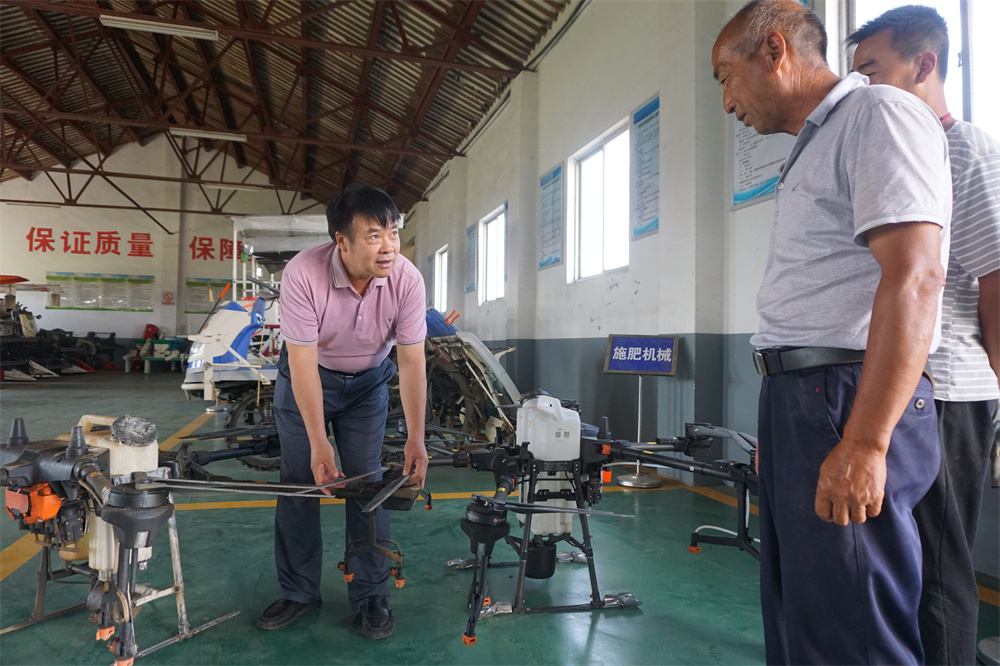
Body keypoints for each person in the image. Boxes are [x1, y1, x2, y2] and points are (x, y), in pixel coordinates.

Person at [711, 1, 953, 663]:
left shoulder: (878, 114)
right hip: (805, 400)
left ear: (775, 51)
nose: (727, 102)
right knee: (805, 620)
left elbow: (916, 275)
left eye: (726, 77)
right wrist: (782, 427)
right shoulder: (819, 141)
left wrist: (867, 441)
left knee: (853, 632)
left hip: (847, 394)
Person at [847, 7, 1000, 664]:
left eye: (872, 70)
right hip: (904, 387)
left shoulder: (966, 150)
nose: (863, 88)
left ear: (925, 64)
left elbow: (996, 283)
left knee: (938, 566)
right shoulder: (896, 150)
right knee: (899, 558)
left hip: (950, 392)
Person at [256, 184, 428, 640]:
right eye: (374, 236)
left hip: (368, 386)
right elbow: (301, 361)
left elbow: (412, 361)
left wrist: (416, 438)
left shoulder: (407, 280)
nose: (388, 246)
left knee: (369, 483)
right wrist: (319, 443)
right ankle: (298, 592)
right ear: (342, 241)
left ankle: (372, 593)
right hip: (308, 380)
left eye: (393, 233)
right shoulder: (303, 274)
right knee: (300, 483)